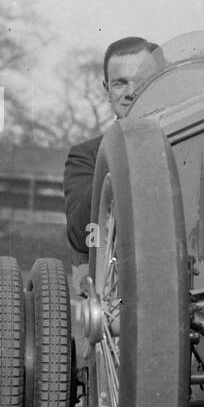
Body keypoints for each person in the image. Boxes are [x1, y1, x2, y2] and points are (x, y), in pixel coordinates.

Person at [63, 36, 163, 262]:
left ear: (160, 82)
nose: (131, 92)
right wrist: (117, 153)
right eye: (120, 83)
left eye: (142, 81)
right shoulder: (87, 155)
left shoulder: (191, 136)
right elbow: (81, 236)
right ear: (106, 89)